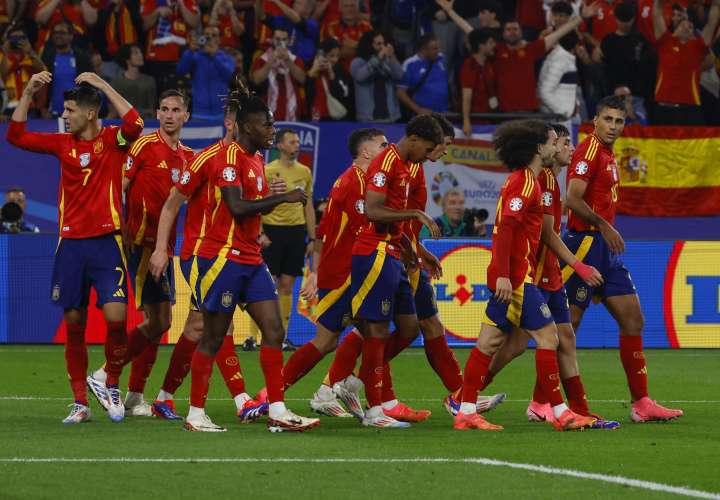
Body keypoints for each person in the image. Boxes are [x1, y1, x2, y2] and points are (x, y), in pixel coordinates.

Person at [6, 70, 144, 423]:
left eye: (69, 110)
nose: (64, 116)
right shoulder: (61, 144)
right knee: (74, 322)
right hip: (70, 245)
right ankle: (80, 402)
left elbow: (136, 123)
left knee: (116, 318)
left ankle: (110, 383)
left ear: (90, 113)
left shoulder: (114, 140)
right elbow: (16, 135)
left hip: (106, 243)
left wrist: (102, 85)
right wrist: (28, 93)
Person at [185, 83, 319, 432]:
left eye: (272, 124)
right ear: (246, 128)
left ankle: (277, 409)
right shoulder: (228, 158)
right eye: (266, 125)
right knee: (213, 336)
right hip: (222, 258)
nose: (272, 130)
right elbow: (237, 206)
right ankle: (195, 414)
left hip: (250, 257)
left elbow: (251, 208)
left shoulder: (257, 160)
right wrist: (284, 199)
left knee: (274, 330)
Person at [453, 119, 598, 432]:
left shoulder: (528, 180)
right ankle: (559, 412)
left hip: (513, 275)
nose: (556, 146)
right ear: (538, 148)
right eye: (551, 141)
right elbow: (506, 228)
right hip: (518, 277)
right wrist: (505, 275)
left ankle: (465, 410)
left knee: (489, 342)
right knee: (548, 337)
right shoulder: (527, 183)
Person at [483, 124, 620, 430]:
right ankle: (467, 396)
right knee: (512, 342)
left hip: (548, 273)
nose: (570, 148)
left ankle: (577, 409)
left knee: (562, 337)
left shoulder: (550, 180)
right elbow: (544, 233)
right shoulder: (540, 180)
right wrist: (578, 265)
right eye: (563, 142)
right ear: (549, 147)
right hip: (535, 273)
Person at [146, 93, 273, 422]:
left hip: (232, 253)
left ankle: (164, 398)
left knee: (196, 327)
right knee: (219, 323)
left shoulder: (250, 160)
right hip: (201, 255)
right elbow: (173, 203)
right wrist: (161, 248)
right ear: (233, 124)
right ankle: (242, 399)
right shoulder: (208, 158)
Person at [563, 94, 684, 422]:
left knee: (633, 321)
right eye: (608, 119)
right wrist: (604, 225)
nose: (614, 126)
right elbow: (571, 199)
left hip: (605, 249)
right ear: (595, 120)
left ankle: (642, 403)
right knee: (568, 325)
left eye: (619, 121)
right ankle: (543, 401)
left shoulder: (607, 152)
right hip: (584, 244)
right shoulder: (588, 150)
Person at [86, 89, 194, 416]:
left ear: (186, 116)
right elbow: (119, 186)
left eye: (176, 109)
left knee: (158, 321)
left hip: (164, 247)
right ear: (157, 113)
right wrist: (114, 229)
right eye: (164, 109)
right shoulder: (144, 146)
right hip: (139, 243)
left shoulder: (188, 156)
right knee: (159, 320)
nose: (169, 115)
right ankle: (106, 374)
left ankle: (133, 396)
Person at [269, 127, 388, 418]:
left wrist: (315, 272)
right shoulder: (357, 182)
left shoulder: (352, 180)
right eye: (382, 144)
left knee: (370, 331)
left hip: (347, 270)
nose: (388, 148)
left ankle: (339, 395)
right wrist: (318, 273)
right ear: (366, 151)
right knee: (334, 338)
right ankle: (273, 395)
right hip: (346, 272)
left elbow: (324, 230)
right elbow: (362, 230)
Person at [350, 114, 443, 428]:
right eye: (427, 148)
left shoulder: (404, 166)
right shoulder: (386, 162)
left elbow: (392, 218)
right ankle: (374, 411)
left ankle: (355, 382)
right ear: (414, 139)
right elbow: (374, 210)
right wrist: (416, 212)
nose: (428, 155)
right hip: (374, 252)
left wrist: (413, 249)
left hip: (393, 253)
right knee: (374, 329)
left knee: (408, 328)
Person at [437, 0, 600, 112]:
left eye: (516, 29)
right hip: (504, 114)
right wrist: (450, 12)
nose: (513, 32)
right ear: (503, 33)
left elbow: (559, 33)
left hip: (529, 112)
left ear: (521, 31)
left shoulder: (530, 50)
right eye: (509, 29)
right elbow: (470, 31)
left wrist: (581, 18)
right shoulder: (497, 51)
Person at [260, 128, 316, 350]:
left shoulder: (305, 172)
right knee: (267, 285)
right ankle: (255, 337)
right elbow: (258, 202)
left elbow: (308, 205)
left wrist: (311, 237)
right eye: (292, 142)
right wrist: (260, 232)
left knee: (287, 285)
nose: (296, 145)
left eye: (297, 142)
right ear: (280, 145)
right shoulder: (268, 170)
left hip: (296, 232)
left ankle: (281, 337)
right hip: (272, 231)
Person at [651, 0, 719, 125]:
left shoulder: (698, 46)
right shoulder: (665, 41)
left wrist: (715, 4)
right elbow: (657, 10)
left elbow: (712, 23)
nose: (687, 26)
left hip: (690, 108)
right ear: (675, 29)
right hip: (663, 108)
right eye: (683, 24)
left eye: (691, 27)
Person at [599, 2, 655, 116]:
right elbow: (604, 69)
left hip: (638, 95)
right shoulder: (608, 41)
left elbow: (649, 68)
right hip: (613, 95)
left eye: (627, 20)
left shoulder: (640, 40)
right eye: (621, 20)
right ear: (616, 18)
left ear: (633, 19)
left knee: (638, 128)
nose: (625, 24)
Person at [176, 25, 235, 120]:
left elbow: (228, 76)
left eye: (214, 35)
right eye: (207, 35)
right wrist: (190, 51)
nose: (210, 38)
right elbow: (180, 71)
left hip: (221, 113)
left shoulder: (226, 58)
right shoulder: (194, 56)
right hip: (199, 113)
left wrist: (214, 56)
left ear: (219, 39)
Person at [140, 0, 200, 92]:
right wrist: (157, 12)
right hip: (157, 57)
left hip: (183, 57)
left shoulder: (188, 1)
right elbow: (143, 25)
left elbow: (194, 23)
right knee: (161, 96)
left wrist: (181, 5)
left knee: (184, 95)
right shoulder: (150, 1)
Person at [250, 27, 306, 121]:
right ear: (272, 40)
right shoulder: (262, 59)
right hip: (267, 114)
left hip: (292, 112)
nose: (281, 43)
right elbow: (256, 80)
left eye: (284, 39)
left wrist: (288, 61)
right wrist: (270, 63)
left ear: (289, 41)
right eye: (278, 39)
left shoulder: (295, 60)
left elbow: (302, 79)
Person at [41, 21, 94, 117]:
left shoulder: (82, 58)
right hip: (51, 114)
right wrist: (43, 109)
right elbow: (41, 86)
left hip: (77, 113)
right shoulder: (47, 58)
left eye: (62, 33)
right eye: (55, 33)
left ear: (71, 36)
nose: (58, 36)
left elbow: (89, 86)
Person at [350, 30, 403, 122]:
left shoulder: (387, 61)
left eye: (383, 43)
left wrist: (392, 57)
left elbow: (399, 75)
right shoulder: (358, 62)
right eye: (378, 44)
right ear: (369, 45)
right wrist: (378, 58)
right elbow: (360, 77)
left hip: (389, 116)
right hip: (367, 117)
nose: (382, 47)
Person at [396, 34, 449, 116]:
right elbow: (400, 93)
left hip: (444, 114)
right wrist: (418, 109)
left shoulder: (442, 59)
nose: (438, 51)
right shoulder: (410, 64)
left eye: (438, 48)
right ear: (423, 50)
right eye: (434, 49)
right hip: (422, 116)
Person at [255, 0, 319, 65]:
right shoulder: (285, 20)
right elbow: (262, 16)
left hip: (303, 65)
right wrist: (259, 1)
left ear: (308, 9)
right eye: (295, 3)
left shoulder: (312, 24)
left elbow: (298, 21)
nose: (294, 5)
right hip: (281, 62)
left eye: (299, 4)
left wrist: (276, 1)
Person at [460, 27, 497, 136]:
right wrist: (466, 122)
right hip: (476, 125)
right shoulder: (469, 66)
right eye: (491, 42)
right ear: (481, 46)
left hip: (489, 120)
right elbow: (466, 96)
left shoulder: (488, 64)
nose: (494, 45)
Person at [305, 36, 354, 121]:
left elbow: (344, 94)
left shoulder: (339, 70)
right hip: (314, 117)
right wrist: (312, 72)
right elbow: (306, 92)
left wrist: (332, 75)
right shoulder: (310, 66)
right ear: (322, 54)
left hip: (334, 118)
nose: (335, 59)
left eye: (337, 56)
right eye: (331, 55)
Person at [93, 0, 143, 80]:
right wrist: (111, 6)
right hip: (108, 58)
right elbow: (99, 25)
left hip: (128, 59)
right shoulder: (103, 6)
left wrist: (128, 5)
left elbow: (139, 25)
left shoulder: (132, 5)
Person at [0, 28, 46, 115]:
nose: (18, 40)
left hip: (29, 106)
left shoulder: (30, 57)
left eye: (22, 37)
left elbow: (42, 70)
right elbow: (3, 74)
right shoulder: (2, 56)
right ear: (7, 40)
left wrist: (30, 51)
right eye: (14, 37)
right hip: (8, 107)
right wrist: (5, 52)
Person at [537, 31, 580, 122]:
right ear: (576, 45)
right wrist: (563, 112)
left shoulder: (563, 57)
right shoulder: (559, 61)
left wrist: (575, 104)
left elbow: (567, 88)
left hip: (565, 116)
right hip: (558, 119)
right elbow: (544, 92)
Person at [109, 43, 157, 118]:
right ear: (127, 59)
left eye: (140, 52)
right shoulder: (116, 83)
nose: (140, 55)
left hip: (147, 124)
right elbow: (114, 110)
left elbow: (152, 109)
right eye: (136, 53)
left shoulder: (149, 81)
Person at [324, 0, 372, 70]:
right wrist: (363, 49)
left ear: (358, 9)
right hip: (339, 71)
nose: (349, 9)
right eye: (346, 6)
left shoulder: (367, 27)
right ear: (340, 8)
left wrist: (355, 45)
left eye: (352, 6)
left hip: (364, 70)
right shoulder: (331, 27)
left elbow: (374, 51)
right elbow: (329, 55)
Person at [33, 0, 98, 51]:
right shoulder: (48, 2)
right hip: (50, 50)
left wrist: (82, 1)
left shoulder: (85, 4)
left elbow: (91, 21)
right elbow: (40, 20)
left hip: (78, 50)